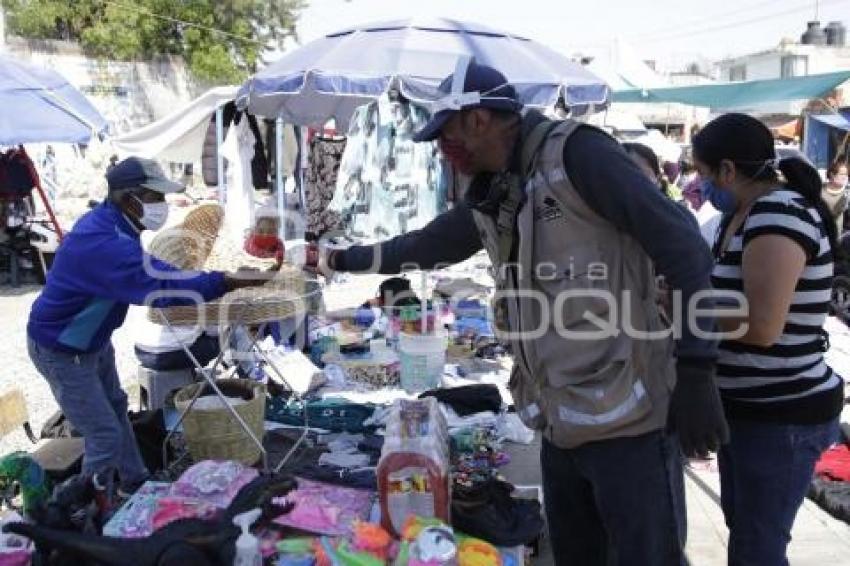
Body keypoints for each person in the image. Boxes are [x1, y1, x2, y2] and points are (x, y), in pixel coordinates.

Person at [309, 60, 728, 566]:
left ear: (479, 119)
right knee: (576, 555)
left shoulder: (580, 156)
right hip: (560, 419)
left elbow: (685, 249)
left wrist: (699, 367)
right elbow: (431, 243)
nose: (443, 150)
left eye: (446, 135)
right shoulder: (498, 187)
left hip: (629, 422)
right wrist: (340, 259)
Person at [27, 157, 265, 499]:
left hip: (91, 342)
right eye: (155, 198)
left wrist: (219, 280)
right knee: (104, 435)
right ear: (129, 199)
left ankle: (135, 484)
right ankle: (83, 508)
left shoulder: (116, 224)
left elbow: (155, 271)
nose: (162, 206)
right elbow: (163, 286)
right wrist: (225, 281)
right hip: (62, 349)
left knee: (116, 408)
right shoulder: (103, 243)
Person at [693, 114, 844, 565]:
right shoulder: (738, 216)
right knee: (748, 533)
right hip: (747, 409)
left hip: (783, 415)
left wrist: (685, 305)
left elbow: (762, 326)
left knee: (758, 547)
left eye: (702, 174)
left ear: (727, 171)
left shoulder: (777, 214)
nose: (700, 186)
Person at [822, 161, 849, 236]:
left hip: (835, 235)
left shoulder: (846, 193)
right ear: (832, 175)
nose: (845, 177)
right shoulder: (819, 189)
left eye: (846, 174)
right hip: (818, 230)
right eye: (842, 174)